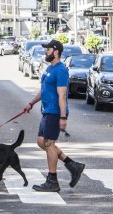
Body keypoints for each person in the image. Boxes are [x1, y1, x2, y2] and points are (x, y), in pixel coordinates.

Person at [22, 39, 85, 192]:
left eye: (48, 49)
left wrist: (63, 117)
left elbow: (62, 95)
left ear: (56, 52)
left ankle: (52, 181)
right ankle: (72, 164)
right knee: (40, 141)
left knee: (49, 143)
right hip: (47, 110)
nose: (45, 51)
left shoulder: (61, 70)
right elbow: (43, 90)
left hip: (55, 112)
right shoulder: (50, 68)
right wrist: (31, 103)